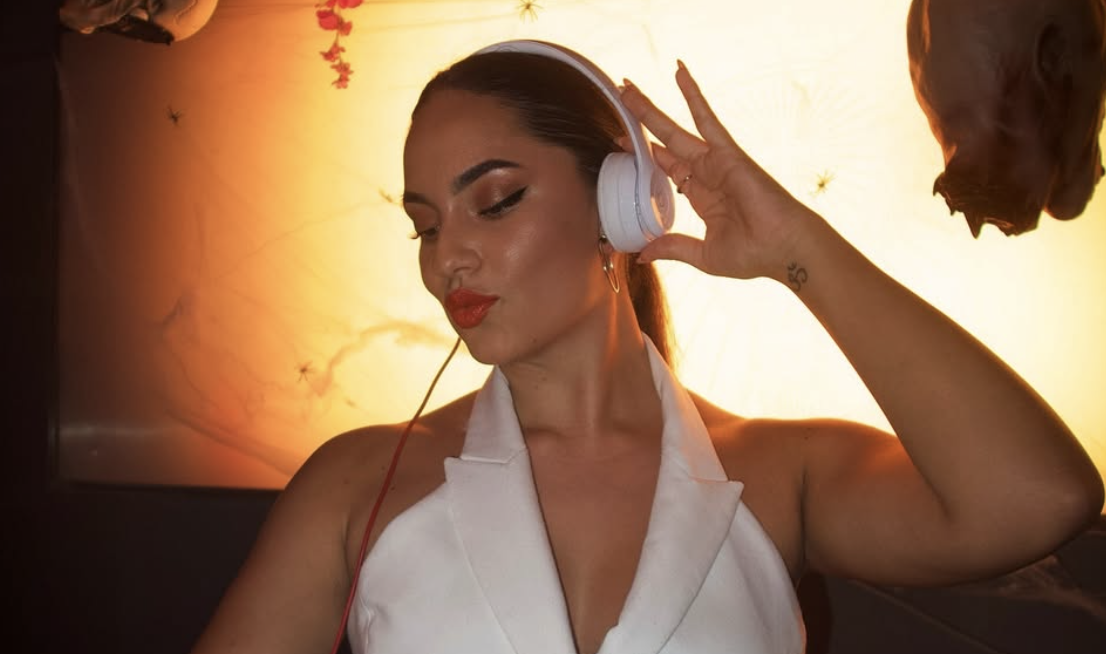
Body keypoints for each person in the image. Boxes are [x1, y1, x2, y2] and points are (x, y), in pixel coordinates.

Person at [191, 44, 1104, 654]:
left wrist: (797, 248)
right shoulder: (357, 484)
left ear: (620, 205)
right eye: (425, 226)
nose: (447, 258)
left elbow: (1038, 498)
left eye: (494, 202)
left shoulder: (774, 473)